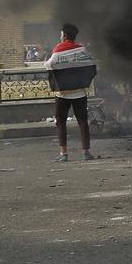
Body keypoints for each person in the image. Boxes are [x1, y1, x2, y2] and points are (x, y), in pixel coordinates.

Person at [45, 22, 98, 161]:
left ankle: (63, 154)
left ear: (64, 35)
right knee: (83, 122)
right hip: (80, 92)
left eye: (61, 34)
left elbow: (49, 65)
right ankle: (86, 152)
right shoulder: (82, 50)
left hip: (62, 94)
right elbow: (92, 68)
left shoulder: (58, 50)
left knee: (61, 122)